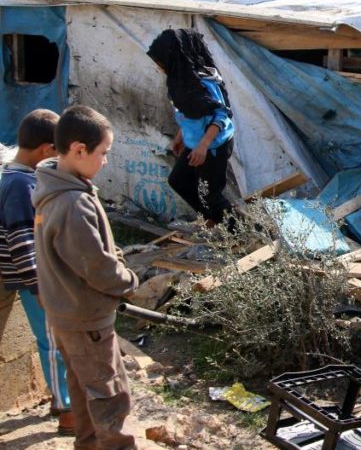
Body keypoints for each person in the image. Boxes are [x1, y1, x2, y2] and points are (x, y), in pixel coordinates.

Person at [32, 105, 139, 449]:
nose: (106, 161)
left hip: (66, 313)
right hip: (86, 316)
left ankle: (89, 444)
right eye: (103, 153)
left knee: (83, 387)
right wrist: (128, 282)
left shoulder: (58, 187)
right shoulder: (71, 203)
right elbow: (97, 266)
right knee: (110, 395)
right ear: (79, 150)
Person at [0, 109, 74, 435]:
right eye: (57, 152)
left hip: (30, 276)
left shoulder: (21, 177)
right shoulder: (18, 184)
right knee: (53, 343)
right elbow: (21, 241)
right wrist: (38, 285)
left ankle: (63, 401)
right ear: (46, 149)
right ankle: (67, 409)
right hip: (30, 279)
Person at [146, 28, 235, 227]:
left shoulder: (203, 82)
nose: (159, 67)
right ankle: (215, 219)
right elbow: (190, 114)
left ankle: (244, 235)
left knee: (211, 196)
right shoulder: (181, 81)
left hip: (212, 147)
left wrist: (203, 145)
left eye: (161, 61)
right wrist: (180, 137)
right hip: (196, 144)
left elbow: (222, 115)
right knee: (179, 181)